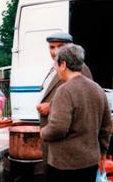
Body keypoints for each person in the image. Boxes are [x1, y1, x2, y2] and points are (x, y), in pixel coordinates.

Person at [40, 44, 112, 182]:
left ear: (64, 64)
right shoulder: (97, 89)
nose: (56, 69)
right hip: (89, 163)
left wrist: (43, 132)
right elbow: (106, 126)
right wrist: (102, 152)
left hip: (64, 166)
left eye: (57, 65)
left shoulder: (64, 91)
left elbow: (58, 128)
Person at [37, 33, 93, 170]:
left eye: (60, 46)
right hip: (55, 139)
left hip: (67, 144)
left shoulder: (80, 68)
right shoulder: (54, 66)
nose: (55, 51)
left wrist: (51, 106)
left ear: (70, 48)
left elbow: (84, 98)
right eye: (51, 47)